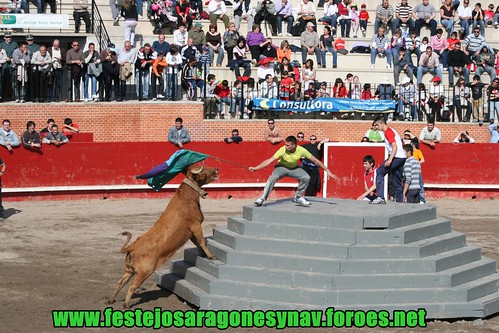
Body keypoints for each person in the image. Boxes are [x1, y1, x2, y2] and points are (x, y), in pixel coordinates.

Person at [249, 135, 337, 207]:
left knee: (306, 177)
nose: (285, 146)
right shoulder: (282, 150)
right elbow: (269, 160)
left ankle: (298, 197)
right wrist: (256, 168)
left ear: (294, 145)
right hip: (281, 168)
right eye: (285, 144)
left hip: (294, 168)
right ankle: (262, 198)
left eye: (288, 145)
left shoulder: (301, 150)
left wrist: (328, 171)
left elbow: (316, 161)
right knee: (273, 177)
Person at [370, 116, 406, 204]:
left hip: (396, 157)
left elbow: (394, 146)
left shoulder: (388, 132)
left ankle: (381, 197)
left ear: (382, 124)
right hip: (402, 157)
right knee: (396, 179)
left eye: (377, 125)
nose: (377, 128)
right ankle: (400, 202)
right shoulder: (392, 130)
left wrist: (390, 160)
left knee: (379, 172)